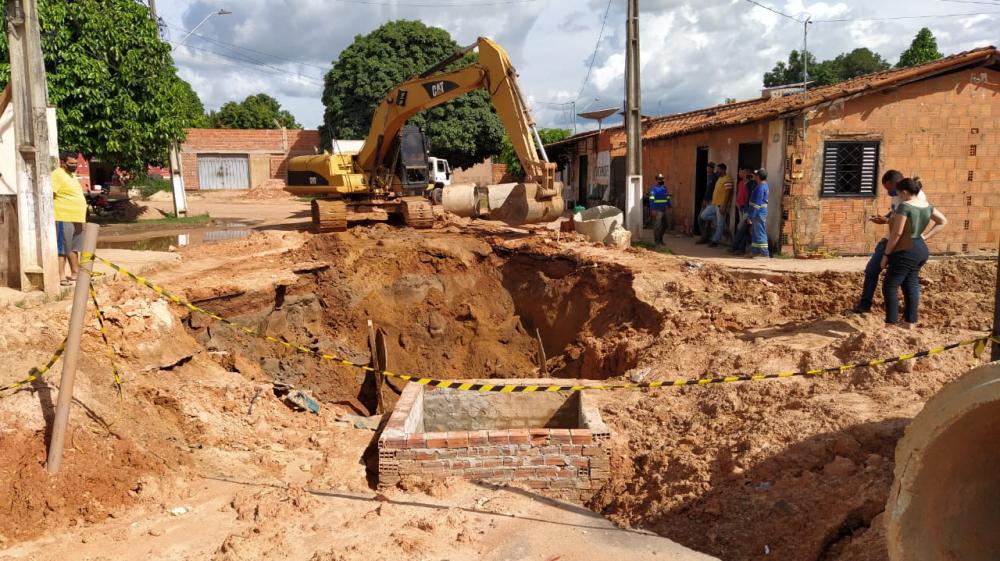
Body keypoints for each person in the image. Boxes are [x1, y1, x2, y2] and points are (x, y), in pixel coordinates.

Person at [852, 169, 928, 314]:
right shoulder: (899, 195)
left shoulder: (916, 198)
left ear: (897, 184)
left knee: (899, 283)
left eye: (889, 189)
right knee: (872, 271)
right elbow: (895, 213)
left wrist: (887, 252)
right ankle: (866, 305)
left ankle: (903, 317)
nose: (890, 193)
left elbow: (905, 223)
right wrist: (886, 217)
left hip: (901, 243)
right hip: (891, 239)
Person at [881, 177, 947, 328]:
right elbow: (943, 221)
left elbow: (897, 234)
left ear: (904, 192)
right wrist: (925, 236)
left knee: (890, 286)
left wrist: (886, 254)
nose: (899, 197)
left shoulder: (905, 206)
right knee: (910, 283)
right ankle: (910, 322)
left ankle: (890, 324)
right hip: (920, 247)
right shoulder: (927, 206)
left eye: (899, 194)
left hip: (906, 248)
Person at [52, 152, 87, 286]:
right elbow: (51, 194)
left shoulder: (71, 175)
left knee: (74, 247)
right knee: (62, 248)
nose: (74, 166)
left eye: (75, 163)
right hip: (63, 216)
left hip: (77, 217)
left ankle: (75, 273)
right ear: (62, 162)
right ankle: (61, 277)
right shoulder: (57, 174)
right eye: (71, 163)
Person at [701, 163, 733, 248]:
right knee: (703, 215)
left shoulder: (727, 179)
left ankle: (715, 240)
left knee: (720, 224)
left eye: (719, 170)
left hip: (720, 204)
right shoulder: (719, 178)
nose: (717, 171)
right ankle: (724, 227)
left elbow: (728, 193)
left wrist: (724, 205)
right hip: (714, 204)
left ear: (723, 170)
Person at [729, 168, 753, 255]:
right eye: (740, 172)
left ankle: (735, 247)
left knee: (741, 227)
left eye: (743, 172)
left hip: (747, 208)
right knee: (744, 229)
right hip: (741, 207)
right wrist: (737, 202)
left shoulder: (751, 184)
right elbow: (739, 194)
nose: (741, 174)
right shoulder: (740, 183)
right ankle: (740, 249)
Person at [748, 168, 769, 258]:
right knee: (756, 232)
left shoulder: (760, 187)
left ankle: (764, 253)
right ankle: (755, 251)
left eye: (756, 175)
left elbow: (757, 203)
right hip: (759, 212)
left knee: (760, 232)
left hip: (758, 213)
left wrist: (751, 216)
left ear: (759, 177)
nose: (754, 177)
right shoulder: (763, 186)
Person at [647, 173, 672, 245]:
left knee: (665, 225)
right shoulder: (654, 189)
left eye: (662, 179)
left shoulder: (665, 188)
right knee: (657, 226)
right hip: (657, 210)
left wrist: (669, 205)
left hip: (664, 209)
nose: (661, 180)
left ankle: (660, 239)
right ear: (657, 180)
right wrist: (653, 209)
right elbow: (651, 199)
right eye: (660, 179)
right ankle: (657, 241)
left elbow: (667, 197)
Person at [697, 162, 718, 242]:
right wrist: (704, 200)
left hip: (712, 201)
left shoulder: (715, 177)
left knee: (702, 218)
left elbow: (714, 190)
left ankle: (705, 237)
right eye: (707, 167)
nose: (708, 169)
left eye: (710, 167)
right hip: (706, 201)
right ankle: (705, 236)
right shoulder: (709, 177)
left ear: (713, 168)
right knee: (701, 219)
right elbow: (707, 190)